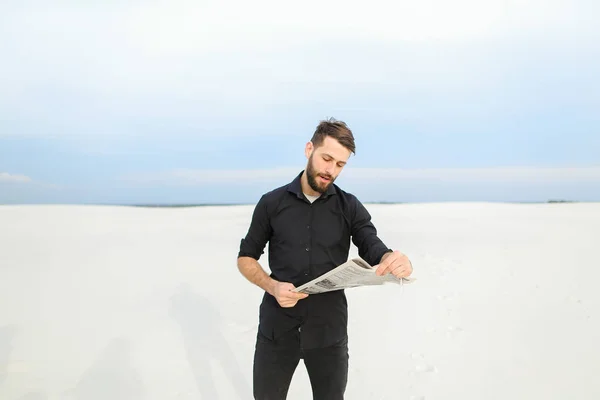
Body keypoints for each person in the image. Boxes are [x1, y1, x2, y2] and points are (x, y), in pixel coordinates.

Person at [237, 118, 413, 400]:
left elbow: (370, 243)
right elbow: (246, 258)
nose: (330, 170)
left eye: (340, 165)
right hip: (276, 331)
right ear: (309, 149)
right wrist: (272, 287)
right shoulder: (271, 203)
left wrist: (391, 258)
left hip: (328, 334)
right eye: (327, 159)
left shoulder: (349, 206)